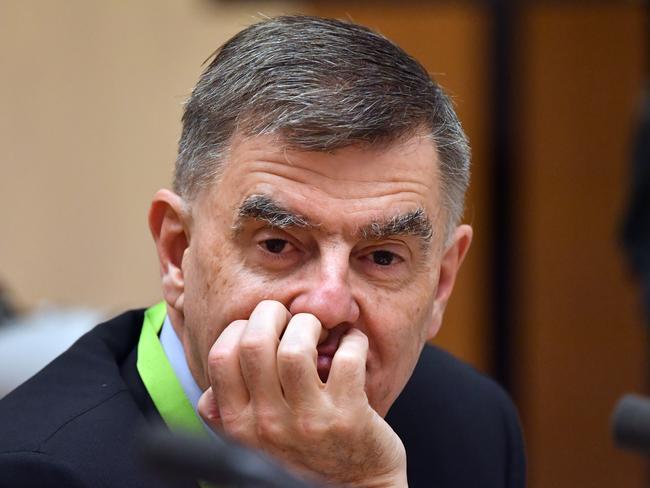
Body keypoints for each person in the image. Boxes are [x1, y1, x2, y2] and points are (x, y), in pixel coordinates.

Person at [0, 15, 526, 487]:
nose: (328, 304)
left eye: (382, 258)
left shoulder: (474, 425)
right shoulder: (37, 469)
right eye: (278, 245)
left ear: (442, 282)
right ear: (176, 251)